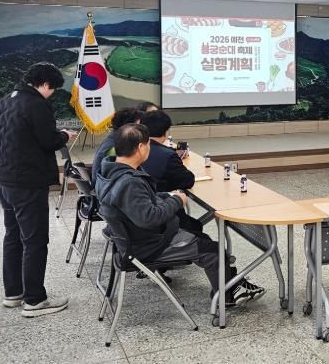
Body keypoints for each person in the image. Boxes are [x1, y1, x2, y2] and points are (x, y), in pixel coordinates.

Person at [94, 124, 264, 307]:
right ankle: (227, 297)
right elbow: (149, 217)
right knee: (213, 251)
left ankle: (231, 284)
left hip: (135, 239)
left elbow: (143, 200)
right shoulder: (129, 182)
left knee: (199, 234)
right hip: (149, 245)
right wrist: (176, 201)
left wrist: (167, 196)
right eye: (148, 144)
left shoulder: (110, 171)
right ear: (141, 147)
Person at [0, 62, 79, 317]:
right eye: (52, 89)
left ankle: (13, 293)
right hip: (27, 183)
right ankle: (35, 300)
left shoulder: (4, 101)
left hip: (4, 180)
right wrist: (64, 135)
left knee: (13, 237)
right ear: (45, 84)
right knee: (35, 241)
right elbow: (48, 141)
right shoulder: (36, 104)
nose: (51, 94)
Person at [140, 110, 203, 235]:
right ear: (165, 132)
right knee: (199, 231)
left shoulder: (132, 149)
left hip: (139, 215)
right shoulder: (167, 155)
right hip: (161, 217)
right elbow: (187, 180)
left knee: (196, 225)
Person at [91, 108, 143, 186]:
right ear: (128, 127)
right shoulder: (115, 148)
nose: (141, 129)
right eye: (138, 125)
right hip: (106, 189)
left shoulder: (114, 138)